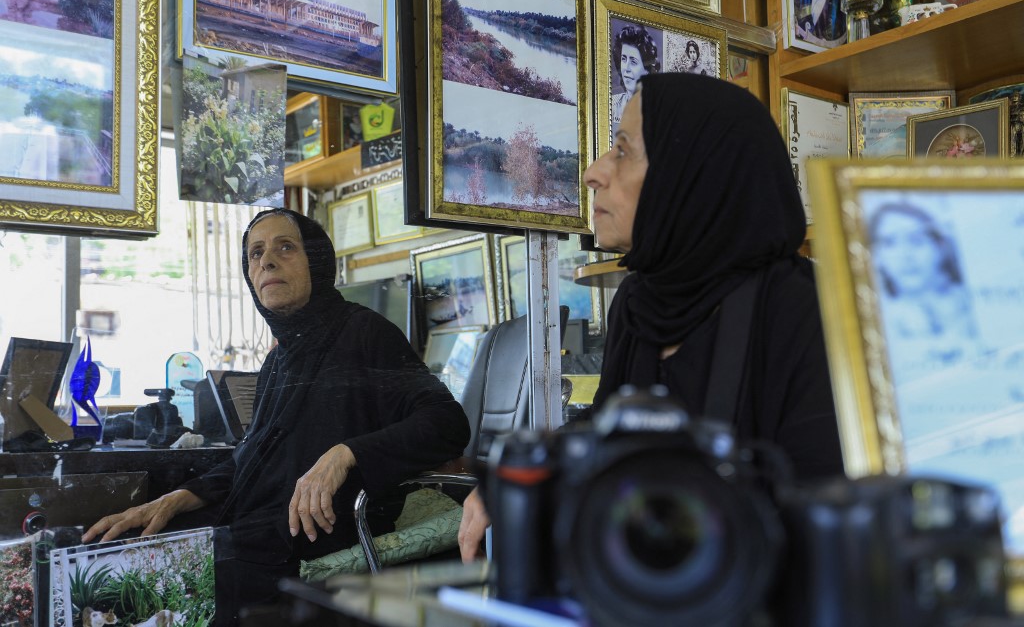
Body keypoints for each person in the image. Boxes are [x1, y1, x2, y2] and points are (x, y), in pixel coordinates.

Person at [459, 73, 844, 562]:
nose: (594, 172)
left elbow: (820, 517)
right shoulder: (639, 300)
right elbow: (607, 426)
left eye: (622, 150)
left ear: (693, 173)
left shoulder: (806, 310)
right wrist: (518, 478)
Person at [84, 208, 470, 624]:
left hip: (315, 527)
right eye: (254, 253)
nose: (265, 261)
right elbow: (253, 458)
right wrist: (176, 498)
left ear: (318, 262)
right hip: (258, 518)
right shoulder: (279, 359)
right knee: (123, 543)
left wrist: (345, 454)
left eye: (285, 247)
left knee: (154, 574)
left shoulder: (365, 333)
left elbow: (447, 423)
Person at [868, 201, 980, 377]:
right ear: (877, 256)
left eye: (916, 240)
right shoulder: (871, 323)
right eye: (890, 243)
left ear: (940, 246)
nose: (905, 255)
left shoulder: (978, 305)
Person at [610, 25, 659, 133]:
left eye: (633, 62)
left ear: (647, 70)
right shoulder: (612, 105)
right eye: (623, 59)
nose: (626, 68)